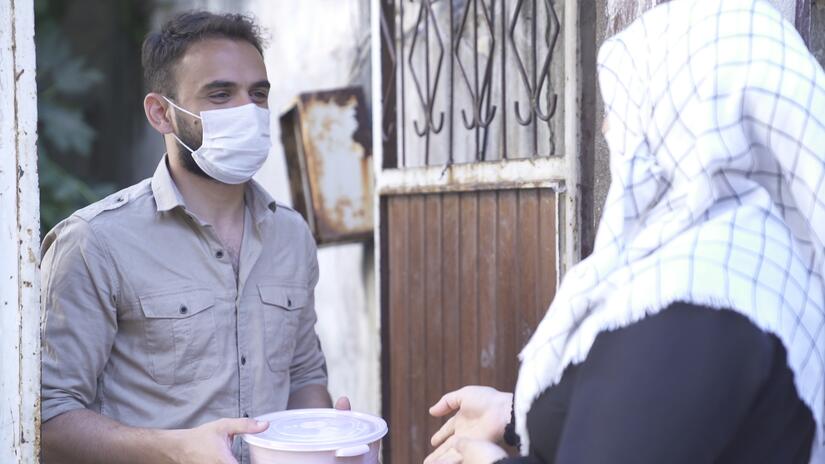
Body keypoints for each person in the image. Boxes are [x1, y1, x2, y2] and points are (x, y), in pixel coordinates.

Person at [425, 0, 825, 462]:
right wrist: (516, 414)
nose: (610, 126)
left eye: (622, 102)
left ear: (679, 112)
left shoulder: (695, 292)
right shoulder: (754, 257)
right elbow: (659, 422)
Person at [40, 11, 347, 464]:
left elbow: (302, 375)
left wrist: (325, 439)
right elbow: (47, 416)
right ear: (161, 113)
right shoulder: (94, 242)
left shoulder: (291, 235)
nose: (247, 111)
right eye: (220, 95)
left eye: (257, 94)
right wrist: (175, 450)